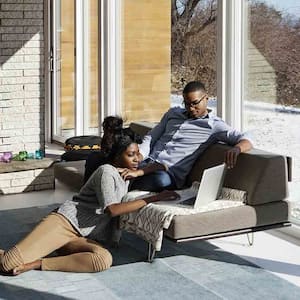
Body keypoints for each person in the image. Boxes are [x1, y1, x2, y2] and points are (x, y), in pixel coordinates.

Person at [0, 118, 179, 276]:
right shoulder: (106, 172)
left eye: (137, 154)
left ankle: (38, 263)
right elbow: (113, 209)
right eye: (131, 155)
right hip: (65, 223)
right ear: (117, 156)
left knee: (102, 260)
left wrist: (140, 172)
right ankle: (32, 250)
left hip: (82, 236)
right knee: (7, 264)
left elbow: (162, 166)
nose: (137, 159)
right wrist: (153, 199)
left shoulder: (126, 173)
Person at [124, 80, 253, 192]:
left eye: (195, 103)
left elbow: (246, 138)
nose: (191, 108)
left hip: (168, 173)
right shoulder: (173, 114)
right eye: (186, 104)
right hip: (146, 162)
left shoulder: (213, 125)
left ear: (206, 98)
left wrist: (237, 149)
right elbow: (152, 137)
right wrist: (140, 155)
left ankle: (125, 185)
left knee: (159, 181)